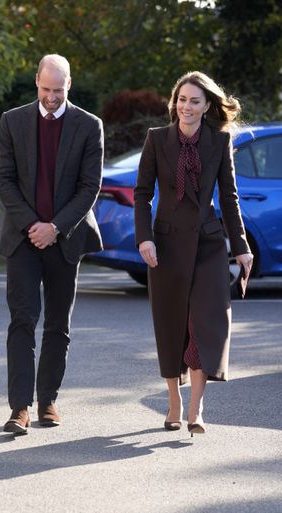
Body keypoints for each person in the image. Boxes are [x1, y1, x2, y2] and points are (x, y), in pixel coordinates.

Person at [134, 71, 253, 437]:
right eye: (181, 100)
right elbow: (142, 194)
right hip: (166, 246)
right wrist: (145, 238)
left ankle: (197, 409)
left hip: (208, 244)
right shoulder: (157, 139)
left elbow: (229, 198)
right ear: (175, 103)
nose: (186, 107)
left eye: (194, 101)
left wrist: (241, 247)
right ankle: (174, 401)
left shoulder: (218, 142)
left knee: (203, 324)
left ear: (206, 107)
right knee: (171, 325)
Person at [0, 54, 104, 434]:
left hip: (66, 239)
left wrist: (55, 227)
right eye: (45, 89)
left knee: (58, 324)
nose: (51, 97)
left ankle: (48, 401)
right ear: (36, 83)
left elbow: (90, 186)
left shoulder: (90, 126)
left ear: (69, 85)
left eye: (58, 90)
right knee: (22, 321)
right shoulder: (12, 121)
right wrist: (33, 226)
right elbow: (4, 180)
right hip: (23, 240)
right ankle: (19, 408)